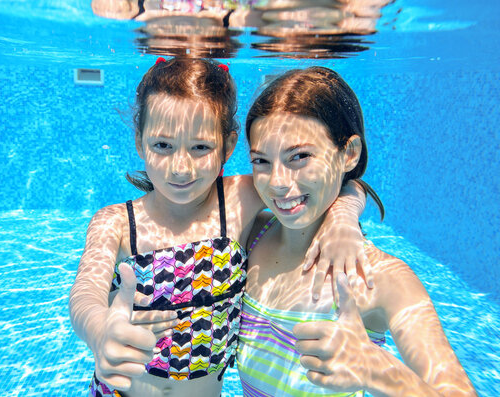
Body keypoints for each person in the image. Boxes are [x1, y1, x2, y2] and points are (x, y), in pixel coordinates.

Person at [69, 57, 369, 397]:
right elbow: (85, 293)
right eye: (162, 146)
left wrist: (343, 218)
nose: (180, 168)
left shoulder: (240, 200)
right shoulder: (117, 222)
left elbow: (343, 184)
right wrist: (98, 331)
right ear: (139, 142)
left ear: (227, 145)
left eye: (200, 147)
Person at [236, 66, 477, 396]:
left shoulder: (381, 277)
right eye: (261, 161)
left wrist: (377, 372)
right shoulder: (251, 238)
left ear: (349, 153)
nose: (277, 182)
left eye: (300, 156)